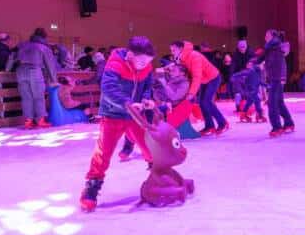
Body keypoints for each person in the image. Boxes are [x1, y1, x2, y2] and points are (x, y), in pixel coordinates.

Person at [80, 37, 157, 211]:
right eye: (142, 61)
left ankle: (159, 175)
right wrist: (126, 102)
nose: (145, 65)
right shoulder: (115, 64)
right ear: (130, 55)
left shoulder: (146, 66)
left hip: (135, 115)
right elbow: (108, 88)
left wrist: (145, 99)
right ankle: (92, 186)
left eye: (148, 62)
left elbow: (147, 84)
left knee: (149, 146)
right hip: (113, 114)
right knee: (104, 151)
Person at [170, 40, 227, 136]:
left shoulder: (194, 56)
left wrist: (191, 93)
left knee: (206, 102)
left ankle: (223, 123)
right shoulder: (182, 58)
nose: (172, 52)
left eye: (173, 50)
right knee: (201, 103)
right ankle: (210, 126)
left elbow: (197, 76)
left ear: (180, 49)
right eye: (171, 50)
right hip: (204, 80)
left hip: (213, 78)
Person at [8, 28, 58, 129]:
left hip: (20, 71)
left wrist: (7, 69)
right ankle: (40, 120)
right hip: (34, 71)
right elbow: (50, 65)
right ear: (44, 37)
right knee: (38, 96)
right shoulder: (44, 47)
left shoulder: (22, 45)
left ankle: (28, 121)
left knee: (26, 97)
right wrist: (53, 80)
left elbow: (12, 56)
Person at [258, 29, 294, 137]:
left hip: (276, 78)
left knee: (272, 103)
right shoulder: (273, 46)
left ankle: (277, 127)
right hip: (277, 77)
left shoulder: (274, 46)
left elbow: (274, 62)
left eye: (266, 35)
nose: (265, 38)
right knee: (278, 102)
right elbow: (267, 59)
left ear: (272, 36)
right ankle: (288, 123)